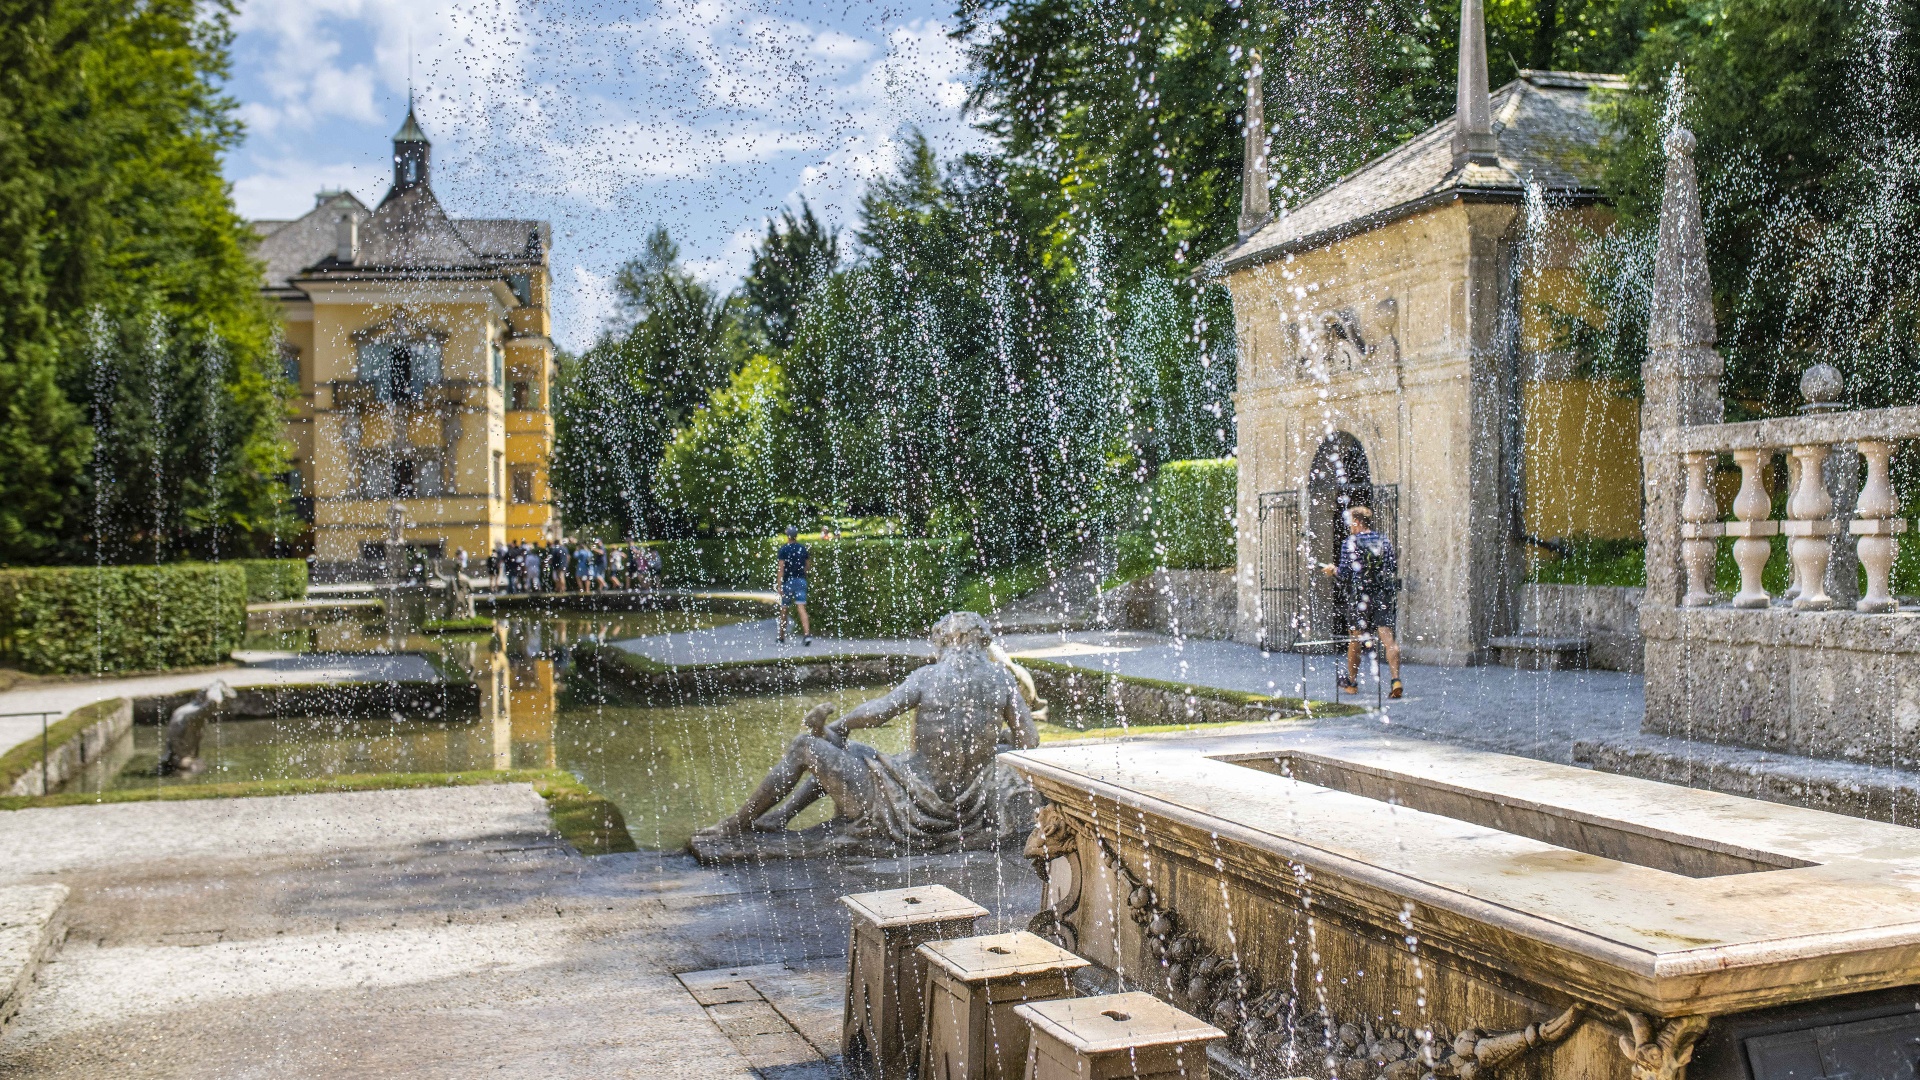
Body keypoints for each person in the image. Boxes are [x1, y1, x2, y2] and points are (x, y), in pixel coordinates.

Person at [691, 612, 1037, 857]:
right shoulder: (1003, 681)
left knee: (805, 747)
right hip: (962, 806)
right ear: (981, 643)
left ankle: (734, 825)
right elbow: (1030, 742)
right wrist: (995, 743)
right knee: (855, 754)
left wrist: (839, 726)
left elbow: (877, 712)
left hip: (907, 806)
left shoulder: (927, 677)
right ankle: (780, 816)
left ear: (946, 641)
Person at [1321, 505, 1403, 699]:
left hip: (1359, 597)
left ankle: (1352, 682)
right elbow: (1391, 566)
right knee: (1387, 636)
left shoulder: (1350, 542)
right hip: (1381, 594)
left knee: (1355, 639)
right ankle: (1396, 680)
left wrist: (1333, 570)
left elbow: (1346, 574)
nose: (1348, 526)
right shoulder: (1383, 539)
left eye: (1350, 521)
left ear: (1357, 522)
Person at [775, 525, 811, 646]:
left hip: (788, 582)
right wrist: (803, 575)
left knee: (784, 609)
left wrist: (779, 585)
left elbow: (781, 568)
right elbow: (807, 566)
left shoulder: (784, 549)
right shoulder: (802, 548)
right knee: (801, 607)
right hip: (801, 580)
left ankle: (781, 637)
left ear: (787, 535)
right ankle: (806, 635)